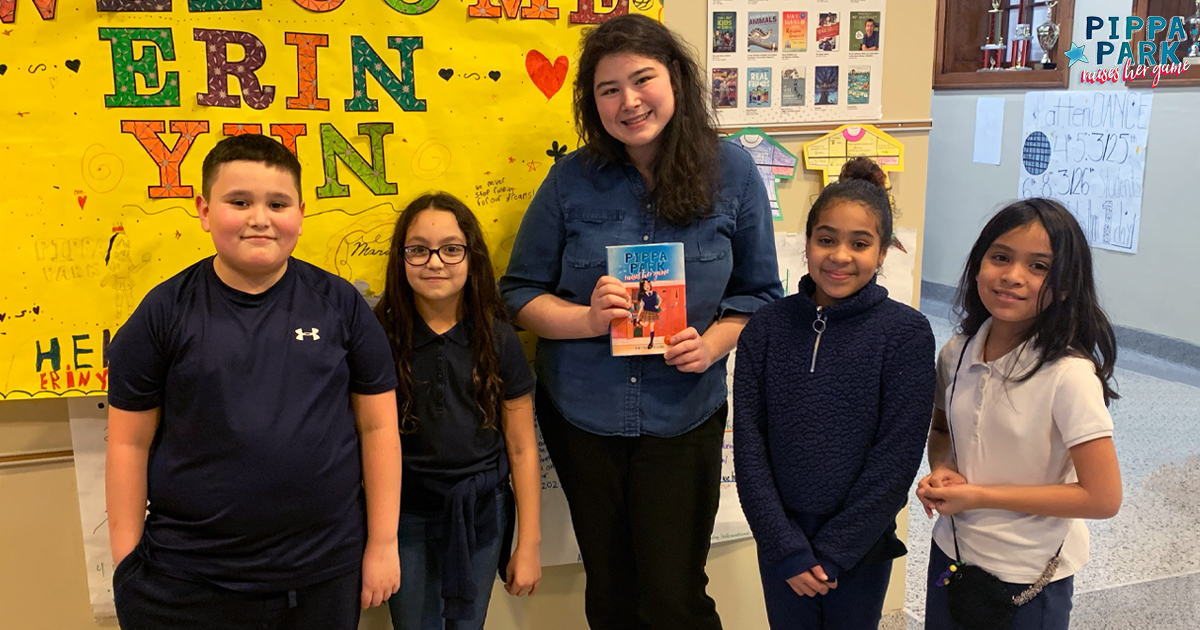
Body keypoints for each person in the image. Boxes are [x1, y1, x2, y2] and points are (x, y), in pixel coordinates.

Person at [498, 14, 781, 630]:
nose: (628, 102)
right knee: (610, 587)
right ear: (591, 102)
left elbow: (759, 297)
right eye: (607, 89)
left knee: (673, 592)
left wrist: (710, 345)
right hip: (584, 415)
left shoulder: (731, 172)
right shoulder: (572, 180)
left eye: (642, 79)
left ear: (676, 77)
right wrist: (588, 319)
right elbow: (518, 293)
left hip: (684, 415)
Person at [105, 134, 402, 630]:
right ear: (203, 210)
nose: (259, 218)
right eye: (238, 201)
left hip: (321, 574)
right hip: (189, 579)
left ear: (301, 213)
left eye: (277, 203)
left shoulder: (342, 306)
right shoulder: (163, 313)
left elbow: (379, 431)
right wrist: (126, 566)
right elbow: (128, 445)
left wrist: (383, 544)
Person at [734, 157, 936, 629]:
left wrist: (836, 552)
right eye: (826, 239)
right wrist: (783, 546)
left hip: (860, 542)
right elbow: (749, 444)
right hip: (781, 539)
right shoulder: (765, 329)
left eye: (860, 243)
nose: (840, 255)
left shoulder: (905, 334)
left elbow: (898, 456)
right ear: (806, 244)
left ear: (884, 252)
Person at [916, 198, 1123, 630]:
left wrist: (980, 496)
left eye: (1039, 267)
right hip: (953, 552)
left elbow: (1103, 498)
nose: (1012, 276)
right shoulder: (956, 352)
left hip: (1028, 574)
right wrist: (944, 467)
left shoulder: (1069, 375)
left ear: (1065, 285)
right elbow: (941, 428)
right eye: (1001, 257)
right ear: (978, 266)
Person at [374, 192, 541, 629]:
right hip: (403, 516)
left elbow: (522, 447)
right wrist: (377, 538)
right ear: (401, 258)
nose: (435, 262)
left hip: (481, 514)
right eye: (418, 250)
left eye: (451, 249)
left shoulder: (498, 338)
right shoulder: (379, 338)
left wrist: (529, 544)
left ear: (472, 258)